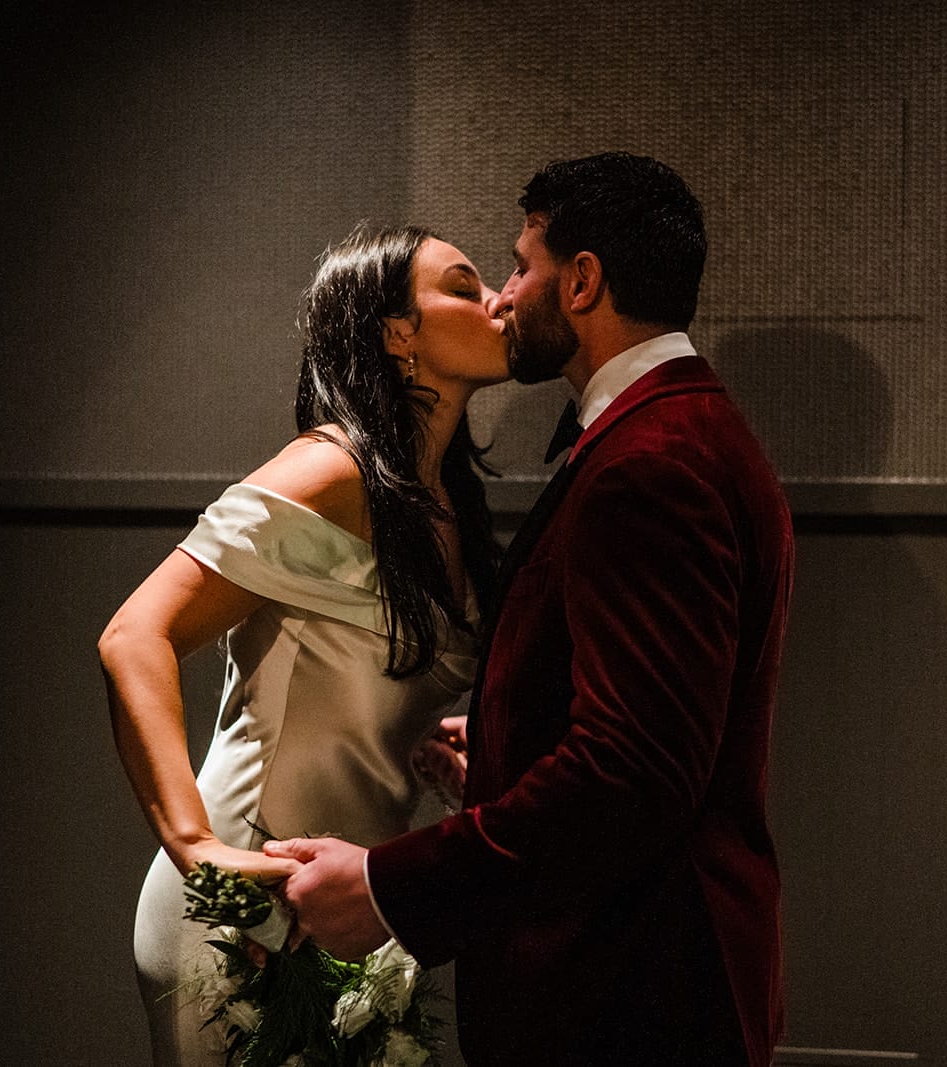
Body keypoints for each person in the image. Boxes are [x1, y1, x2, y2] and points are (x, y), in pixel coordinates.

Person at [268, 153, 795, 1066]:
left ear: (582, 281)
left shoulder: (650, 463)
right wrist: (511, 743)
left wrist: (390, 886)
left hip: (628, 995)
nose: (504, 298)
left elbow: (632, 775)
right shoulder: (683, 429)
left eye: (518, 267)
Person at [98, 224, 509, 1065]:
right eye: (465, 287)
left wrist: (432, 751)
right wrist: (197, 849)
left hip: (362, 913)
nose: (500, 301)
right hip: (244, 910)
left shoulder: (451, 503)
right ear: (397, 334)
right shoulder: (332, 470)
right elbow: (134, 633)